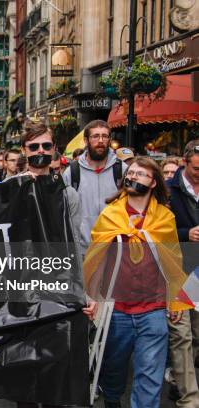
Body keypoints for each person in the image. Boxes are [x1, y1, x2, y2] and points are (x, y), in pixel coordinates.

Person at [83, 157, 190, 408]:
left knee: (149, 377)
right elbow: (94, 259)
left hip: (152, 309)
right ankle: (111, 398)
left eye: (141, 174)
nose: (133, 177)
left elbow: (174, 260)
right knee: (113, 370)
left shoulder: (165, 217)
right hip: (117, 308)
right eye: (131, 173)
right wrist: (92, 297)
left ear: (153, 182)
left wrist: (175, 302)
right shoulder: (110, 215)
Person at [12, 122, 82, 408]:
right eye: (34, 147)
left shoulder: (69, 195)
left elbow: (75, 246)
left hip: (56, 291)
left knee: (54, 372)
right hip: (18, 294)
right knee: (23, 374)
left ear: (54, 151)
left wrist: (82, 292)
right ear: (24, 151)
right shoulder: (8, 190)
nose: (40, 152)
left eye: (46, 146)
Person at [165, 140, 199, 407]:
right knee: (181, 333)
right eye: (197, 168)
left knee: (196, 334)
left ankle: (179, 379)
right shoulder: (167, 191)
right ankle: (190, 400)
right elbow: (157, 232)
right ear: (184, 163)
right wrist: (185, 234)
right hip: (177, 270)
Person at [62, 120, 127, 255]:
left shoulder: (121, 169)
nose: (101, 140)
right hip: (82, 251)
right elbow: (64, 211)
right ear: (86, 141)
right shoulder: (72, 172)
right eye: (95, 136)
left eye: (105, 136)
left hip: (114, 249)